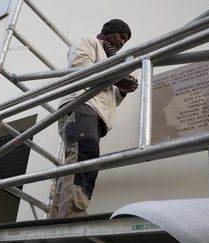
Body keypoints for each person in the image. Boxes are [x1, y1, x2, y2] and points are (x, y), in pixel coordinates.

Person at [49, 19, 138, 218]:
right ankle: (73, 212)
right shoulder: (89, 40)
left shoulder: (113, 60)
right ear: (109, 32)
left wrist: (123, 89)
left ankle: (58, 215)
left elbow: (109, 98)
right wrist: (117, 77)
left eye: (126, 40)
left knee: (77, 158)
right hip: (80, 105)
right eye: (121, 36)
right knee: (85, 156)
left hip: (94, 113)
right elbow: (81, 70)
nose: (122, 42)